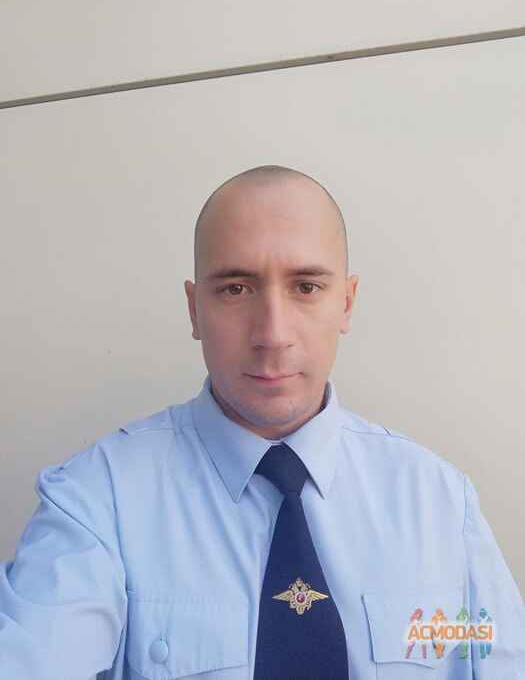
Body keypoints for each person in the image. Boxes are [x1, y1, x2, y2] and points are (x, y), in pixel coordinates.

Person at [0, 164, 523, 679]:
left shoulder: (441, 503)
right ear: (194, 310)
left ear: (346, 303)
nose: (273, 334)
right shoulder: (97, 501)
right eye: (236, 289)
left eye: (306, 287)